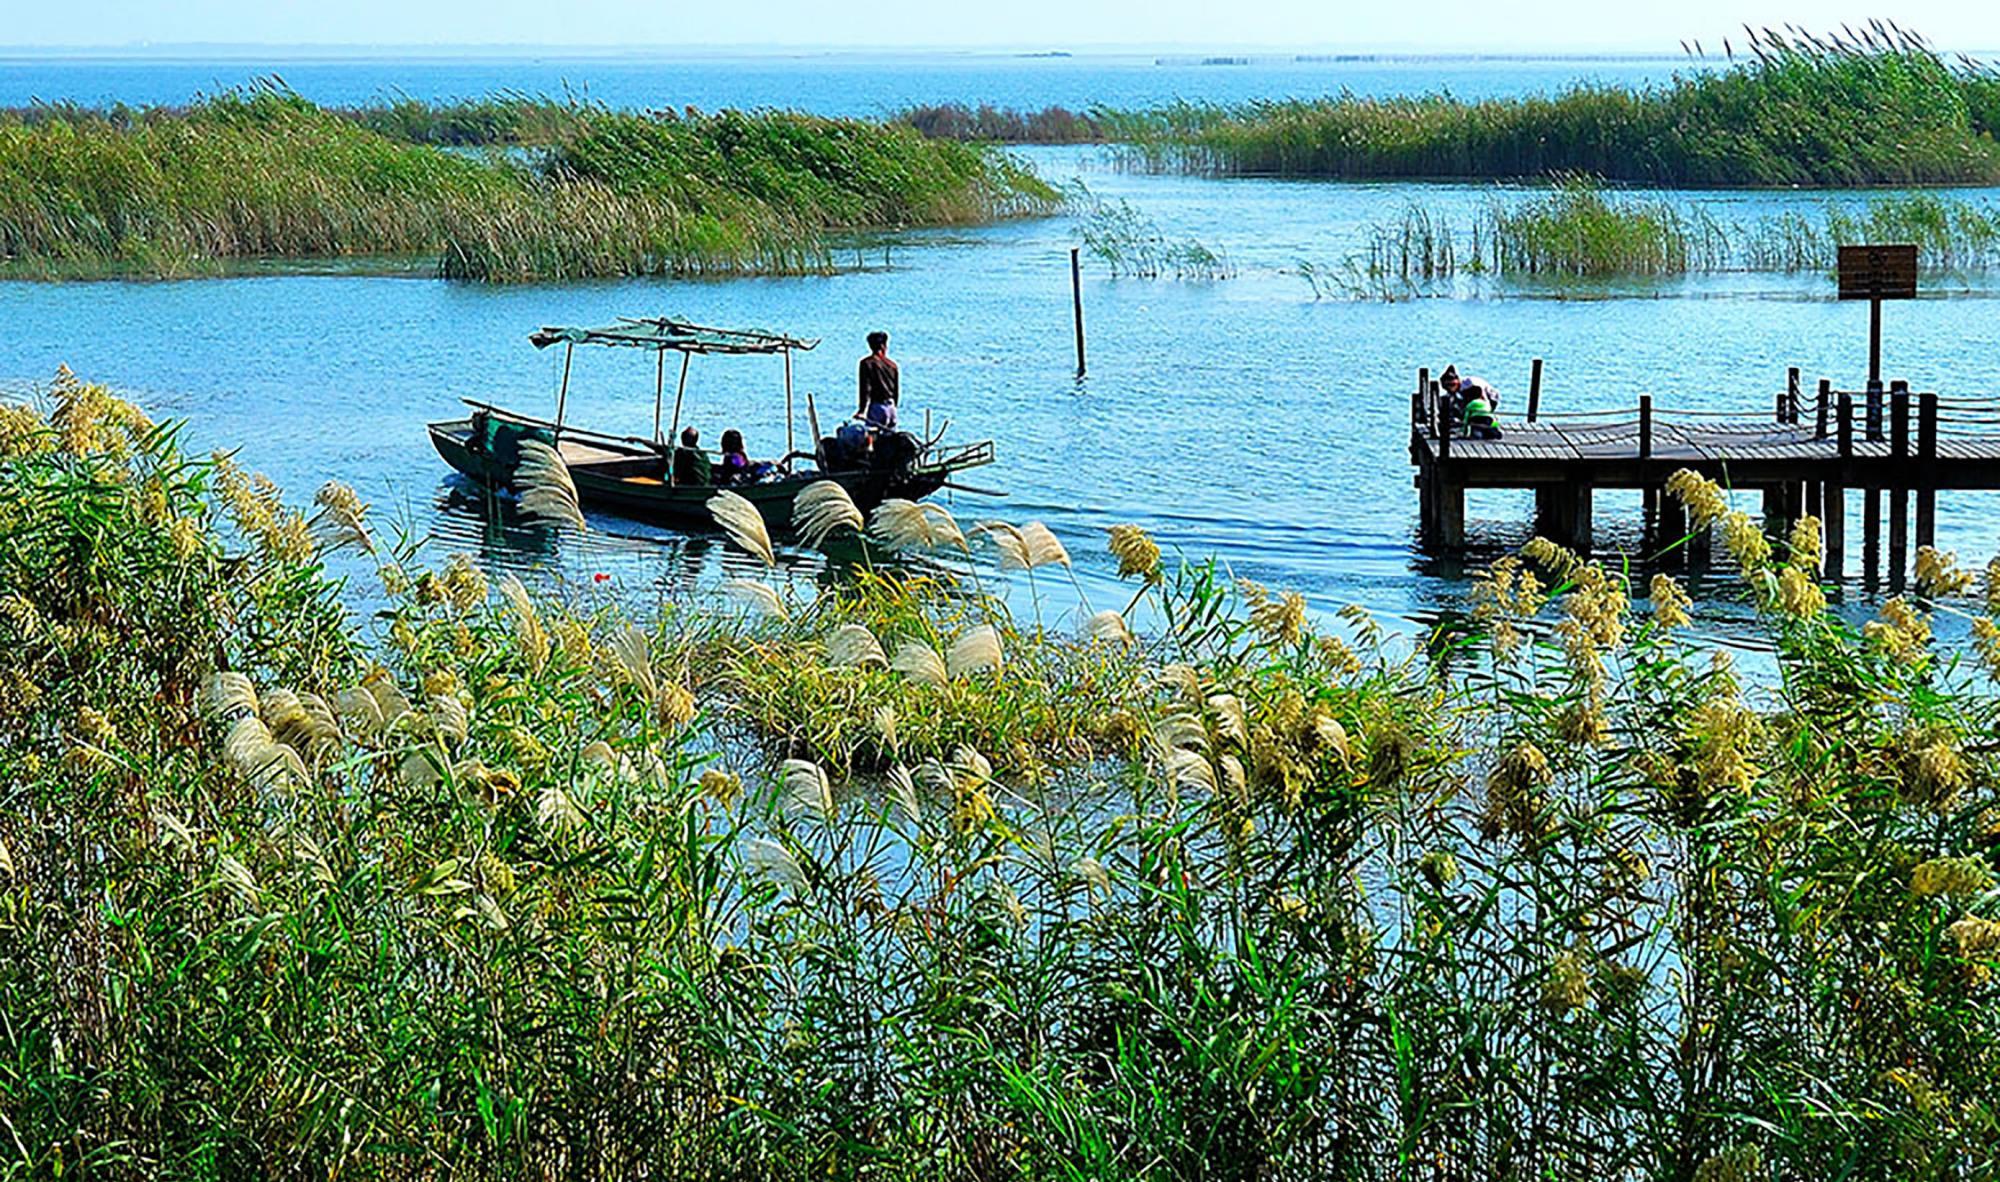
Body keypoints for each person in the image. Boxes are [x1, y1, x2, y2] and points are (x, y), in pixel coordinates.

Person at [857, 330, 899, 429]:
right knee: (891, 441)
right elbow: (896, 391)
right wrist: (894, 407)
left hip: (877, 408)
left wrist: (861, 410)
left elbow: (865, 388)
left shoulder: (866, 363)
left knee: (872, 440)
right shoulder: (892, 365)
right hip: (891, 408)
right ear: (884, 345)